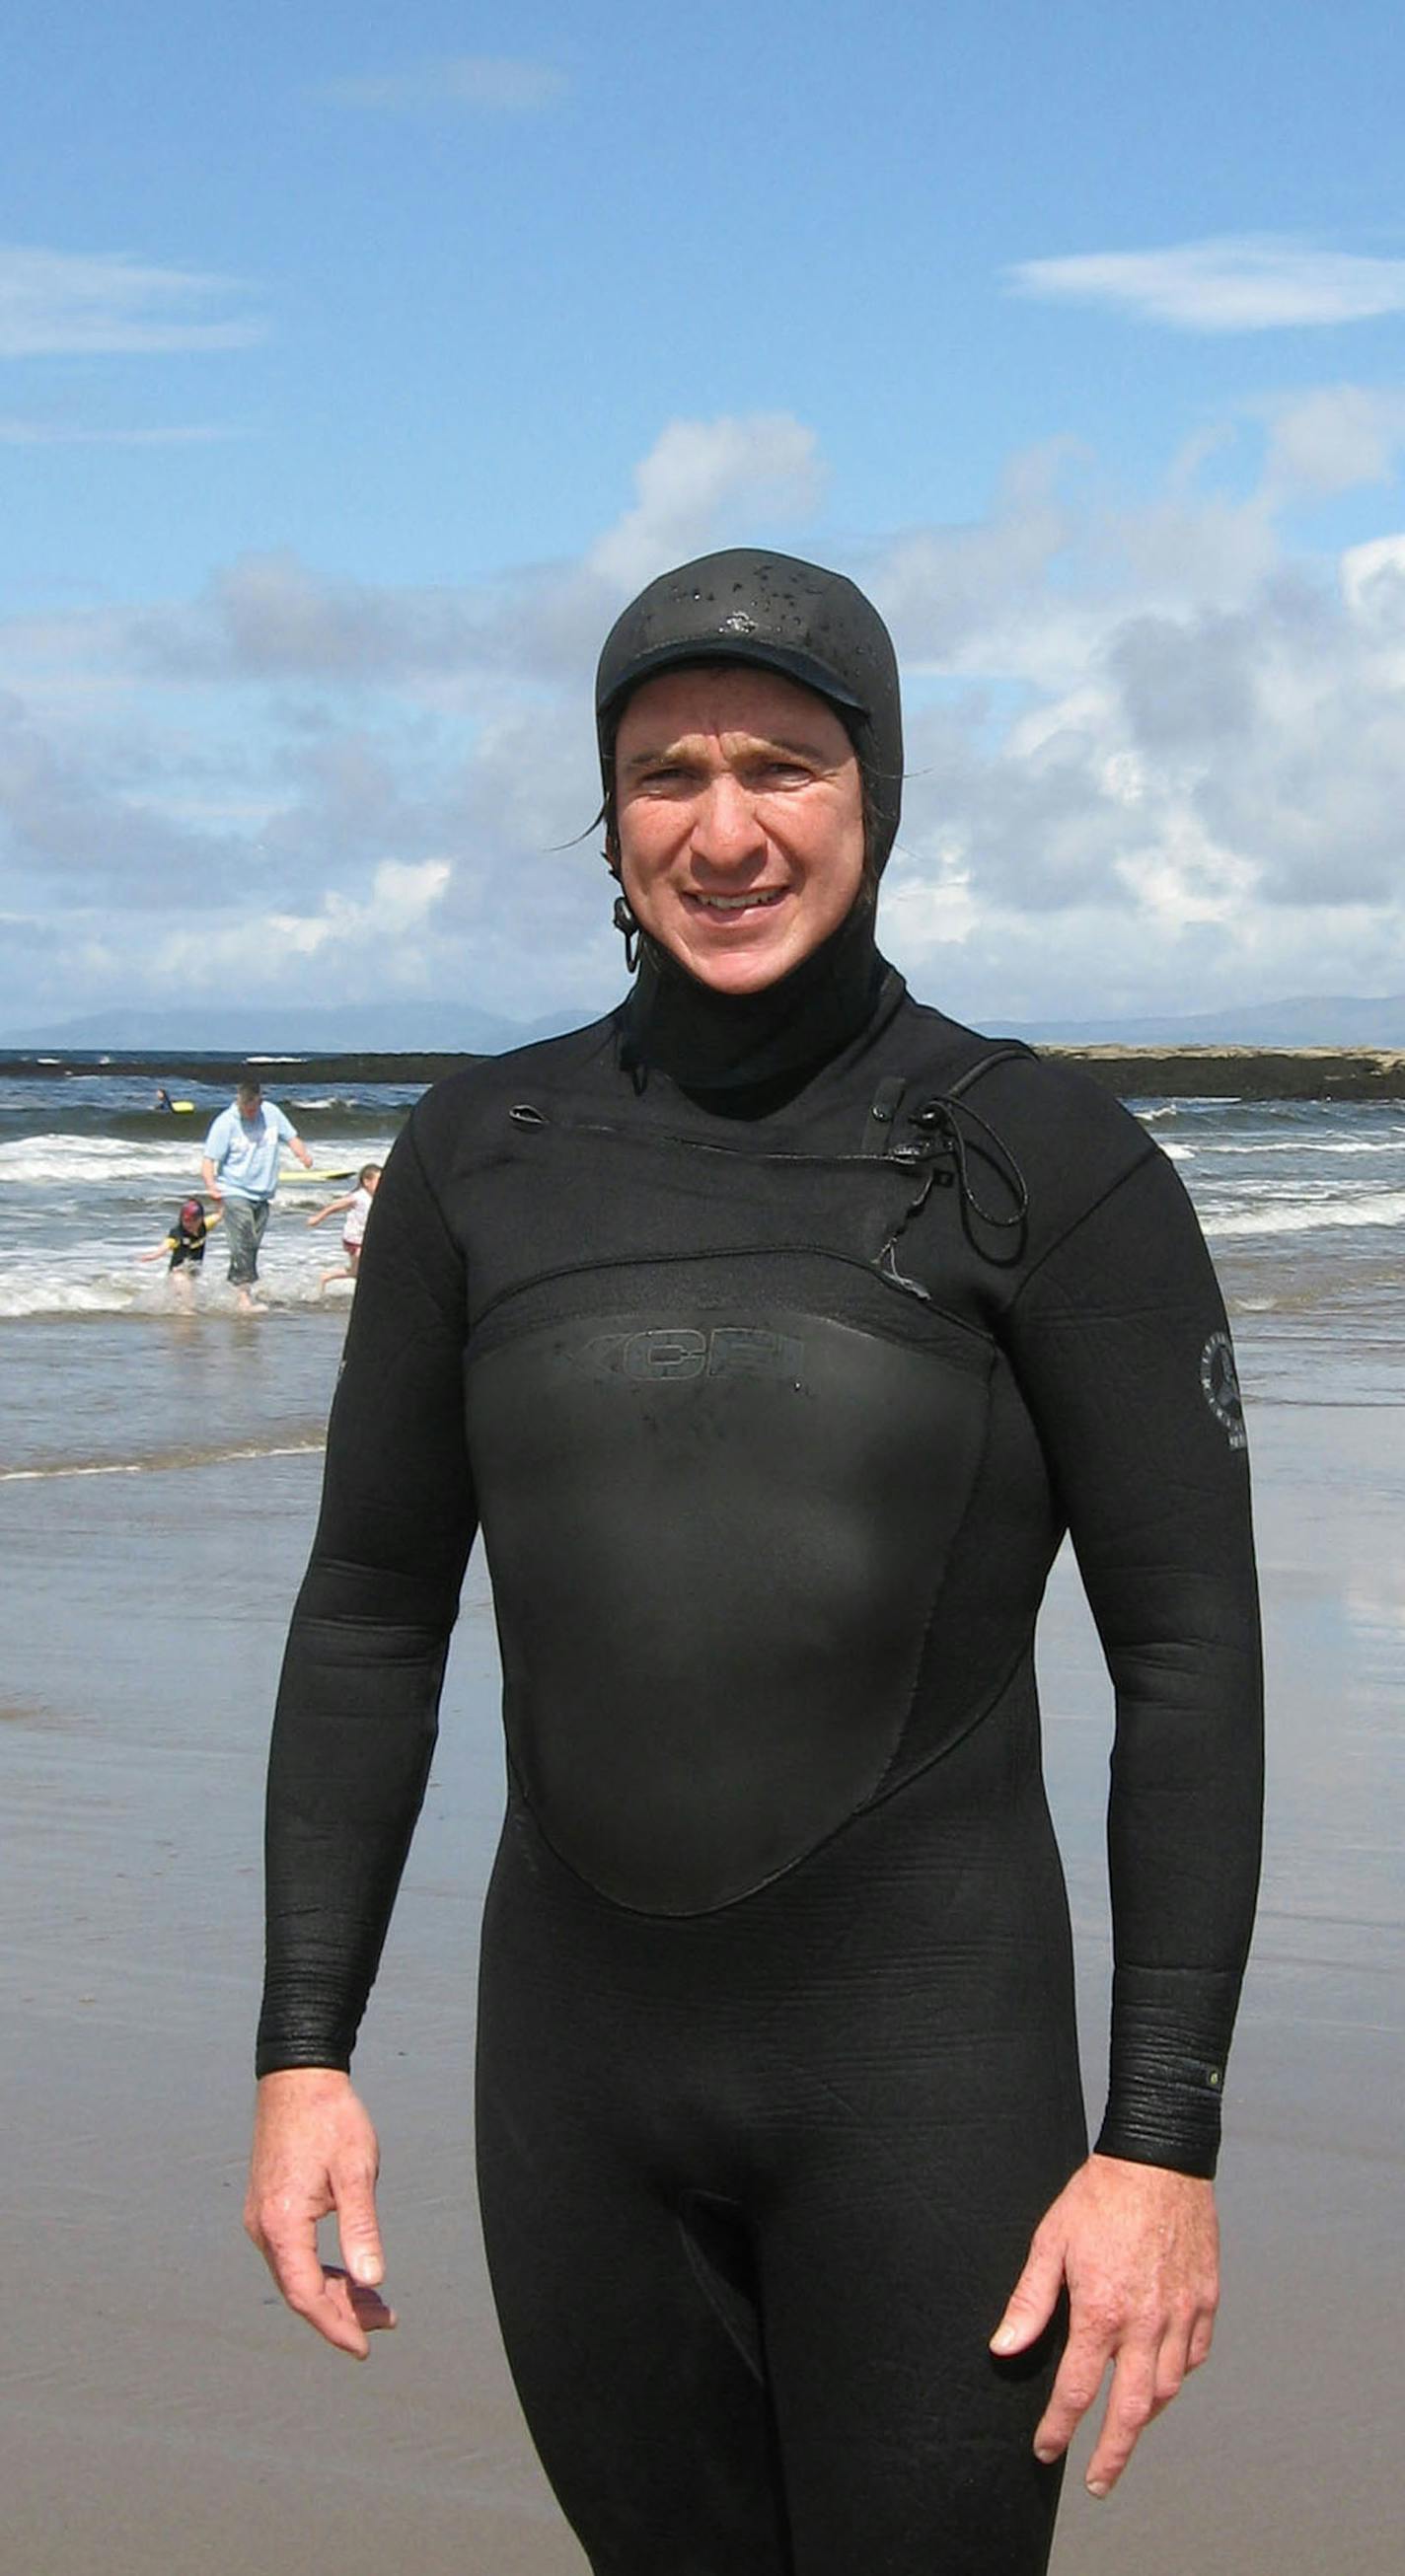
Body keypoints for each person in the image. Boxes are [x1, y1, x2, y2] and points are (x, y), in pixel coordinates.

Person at [245, 551, 1263, 2576]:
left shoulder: (1046, 1162)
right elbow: (370, 1610)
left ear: (875, 793)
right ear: (609, 814)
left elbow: (1187, 1651)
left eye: (782, 767)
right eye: (666, 772)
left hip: (924, 2085)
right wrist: (302, 2051)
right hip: (576, 2096)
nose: (723, 829)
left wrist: (1156, 2142)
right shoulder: (479, 1155)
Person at [200, 1075, 313, 1311]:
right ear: (239, 1102)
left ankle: (237, 1287)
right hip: (233, 1190)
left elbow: (291, 1137)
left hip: (263, 1193)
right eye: (245, 1110)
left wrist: (302, 1154)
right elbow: (209, 1161)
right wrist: (212, 1187)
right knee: (244, 1238)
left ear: (260, 1102)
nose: (249, 1115)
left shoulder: (271, 1114)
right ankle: (243, 1297)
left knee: (250, 1245)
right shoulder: (225, 1123)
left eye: (253, 1110)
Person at [306, 1163, 382, 1293]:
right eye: (379, 1181)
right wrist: (317, 1218)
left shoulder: (378, 1198)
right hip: (353, 1238)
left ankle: (326, 1277)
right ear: (367, 1182)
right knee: (363, 1263)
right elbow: (334, 1207)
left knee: (355, 1272)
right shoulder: (359, 1196)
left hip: (366, 1238)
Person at [136, 1195, 222, 1303]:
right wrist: (152, 1256)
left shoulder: (205, 1225)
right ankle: (186, 1313)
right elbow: (165, 1246)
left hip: (193, 1270)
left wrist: (220, 1198)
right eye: (185, 1220)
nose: (188, 1224)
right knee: (183, 1287)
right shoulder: (177, 1234)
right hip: (177, 1272)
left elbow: (220, 1214)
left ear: (200, 1219)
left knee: (190, 1291)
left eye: (193, 1220)